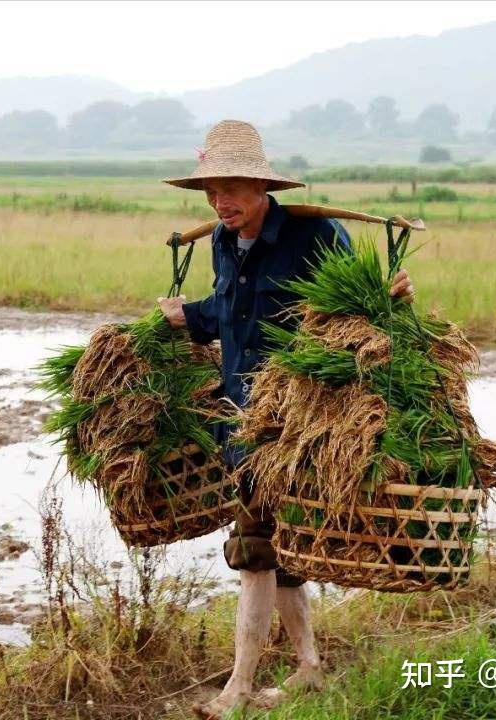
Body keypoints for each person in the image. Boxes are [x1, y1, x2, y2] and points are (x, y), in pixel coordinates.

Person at [157, 119, 414, 719]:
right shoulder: (223, 241)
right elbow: (227, 311)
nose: (222, 202)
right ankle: (310, 669)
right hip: (243, 422)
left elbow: (357, 309)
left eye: (235, 189)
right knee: (280, 555)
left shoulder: (315, 235)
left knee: (254, 554)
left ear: (263, 188)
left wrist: (393, 292)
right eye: (213, 191)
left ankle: (239, 690)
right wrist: (185, 316)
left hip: (299, 424)